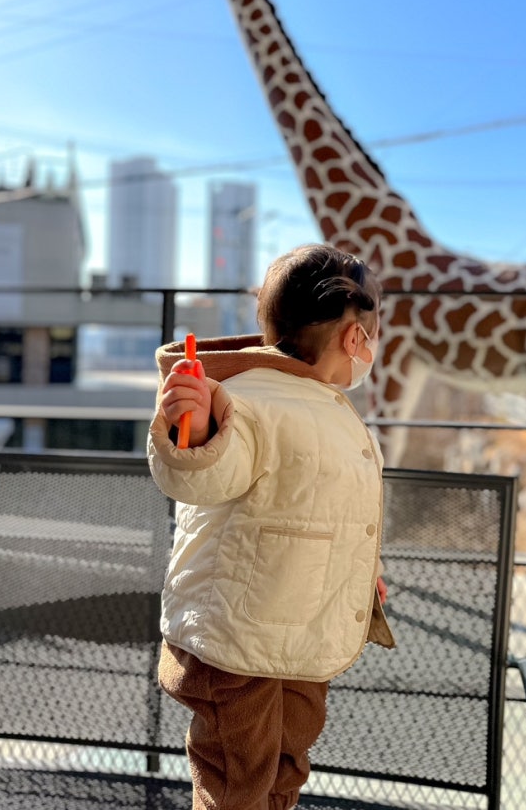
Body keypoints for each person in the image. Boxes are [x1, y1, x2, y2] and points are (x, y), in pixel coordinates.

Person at [148, 243, 395, 810]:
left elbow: (330, 512)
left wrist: (365, 575)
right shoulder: (246, 399)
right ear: (356, 337)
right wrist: (201, 427)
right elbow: (203, 478)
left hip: (298, 637)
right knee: (239, 781)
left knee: (284, 769)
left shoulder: (324, 405)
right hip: (237, 644)